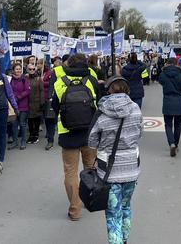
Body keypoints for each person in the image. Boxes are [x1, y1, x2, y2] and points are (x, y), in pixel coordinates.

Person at [88, 76, 143, 244]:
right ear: (127, 89)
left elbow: (91, 141)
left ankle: (116, 241)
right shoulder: (136, 109)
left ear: (109, 90)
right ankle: (124, 239)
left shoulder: (103, 114)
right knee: (126, 207)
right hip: (132, 168)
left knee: (113, 212)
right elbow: (140, 133)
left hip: (109, 172)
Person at [52, 53, 99, 221]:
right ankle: (90, 200)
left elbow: (54, 107)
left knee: (70, 172)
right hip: (90, 133)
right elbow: (99, 103)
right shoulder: (92, 80)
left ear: (69, 65)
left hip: (67, 133)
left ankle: (74, 210)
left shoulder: (60, 82)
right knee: (90, 169)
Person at [158, 57, 181, 156]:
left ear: (167, 63)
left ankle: (171, 143)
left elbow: (161, 82)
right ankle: (176, 145)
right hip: (179, 102)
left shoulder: (163, 74)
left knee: (168, 125)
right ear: (177, 64)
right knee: (177, 125)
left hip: (167, 101)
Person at [10, 62, 31, 150]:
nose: (18, 70)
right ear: (14, 70)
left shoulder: (24, 79)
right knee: (14, 124)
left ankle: (23, 141)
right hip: (14, 105)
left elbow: (28, 91)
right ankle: (15, 142)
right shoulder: (11, 79)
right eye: (17, 69)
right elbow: (9, 90)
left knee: (22, 124)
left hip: (23, 105)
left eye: (19, 69)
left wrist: (19, 97)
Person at [27, 62, 45, 144]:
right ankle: (31, 135)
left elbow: (42, 91)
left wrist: (42, 102)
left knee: (36, 119)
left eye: (33, 69)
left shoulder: (39, 79)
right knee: (30, 120)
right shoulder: (25, 78)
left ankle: (36, 135)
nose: (32, 70)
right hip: (28, 102)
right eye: (30, 69)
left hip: (37, 102)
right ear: (27, 70)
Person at [43, 59, 57, 150]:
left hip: (63, 101)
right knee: (50, 120)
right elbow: (51, 85)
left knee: (56, 121)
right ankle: (50, 140)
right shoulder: (53, 73)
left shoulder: (67, 74)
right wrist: (49, 96)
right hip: (51, 99)